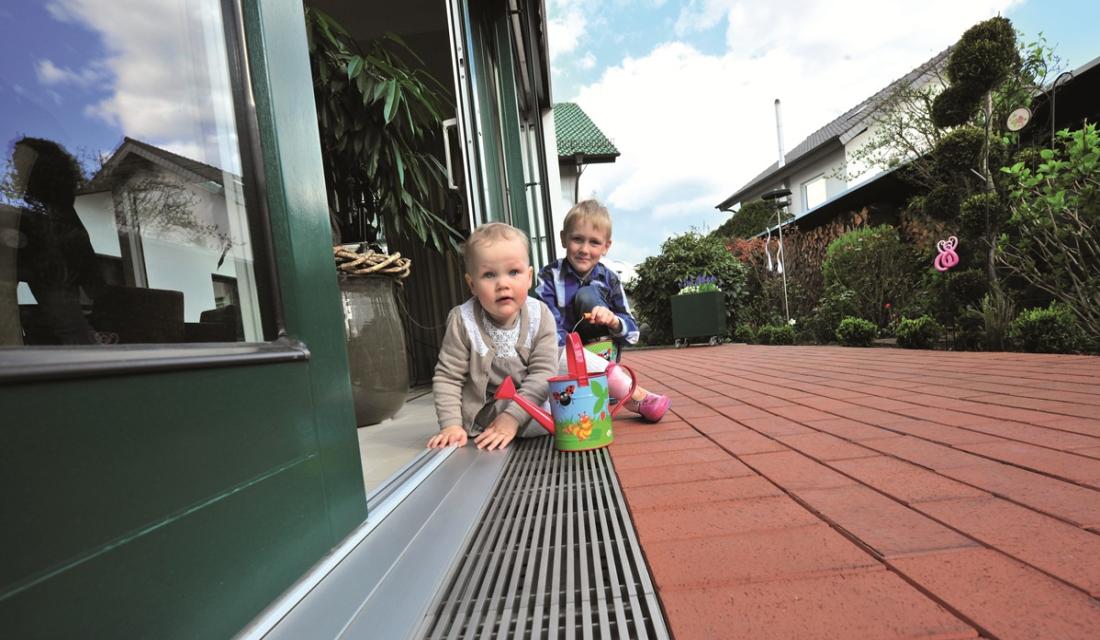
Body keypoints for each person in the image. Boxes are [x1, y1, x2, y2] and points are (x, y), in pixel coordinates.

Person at [427, 222, 558, 451]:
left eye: (514, 272)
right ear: (472, 285)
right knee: (559, 414)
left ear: (529, 277)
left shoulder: (540, 315)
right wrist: (451, 425)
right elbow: (448, 377)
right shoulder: (463, 321)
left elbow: (543, 373)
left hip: (537, 397)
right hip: (493, 410)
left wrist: (514, 417)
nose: (502, 284)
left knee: (574, 360)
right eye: (489, 275)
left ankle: (628, 392)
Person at [536, 199, 670, 422]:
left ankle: (624, 390)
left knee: (587, 296)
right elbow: (549, 329)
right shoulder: (548, 277)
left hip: (604, 353)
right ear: (563, 238)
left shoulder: (610, 278)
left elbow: (634, 334)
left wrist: (614, 321)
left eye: (594, 243)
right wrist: (576, 356)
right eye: (577, 239)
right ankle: (617, 388)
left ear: (606, 246)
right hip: (565, 359)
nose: (584, 249)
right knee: (551, 341)